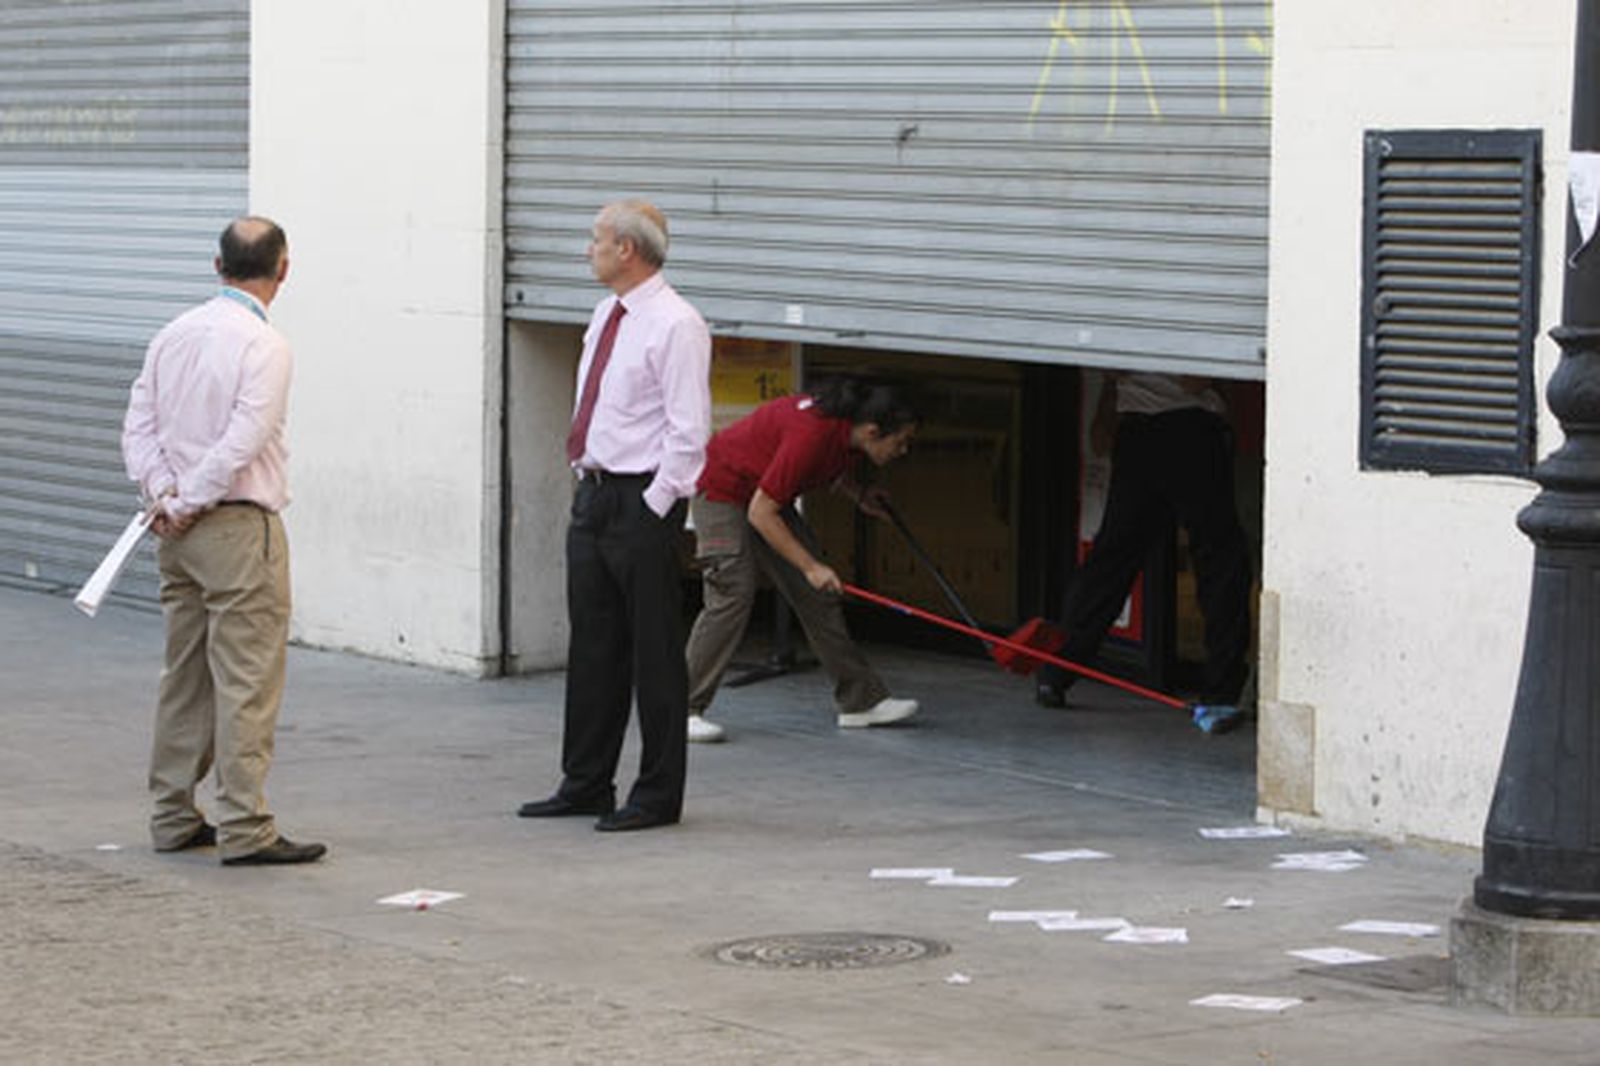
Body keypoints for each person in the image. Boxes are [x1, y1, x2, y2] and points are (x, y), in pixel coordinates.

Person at [121, 217, 325, 866]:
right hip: (237, 528)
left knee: (184, 675)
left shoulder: (173, 333)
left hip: (177, 531)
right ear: (283, 270)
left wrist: (164, 495)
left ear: (218, 266)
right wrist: (188, 499)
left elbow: (138, 424)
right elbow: (244, 439)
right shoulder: (265, 346)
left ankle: (172, 815)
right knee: (246, 680)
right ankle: (245, 826)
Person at [517, 200, 711, 832]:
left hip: (641, 499)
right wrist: (585, 482)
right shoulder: (606, 314)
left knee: (654, 651)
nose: (587, 250)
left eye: (596, 239)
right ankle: (585, 782)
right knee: (594, 644)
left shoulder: (676, 324)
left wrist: (657, 504)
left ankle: (656, 795)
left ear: (627, 248)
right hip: (595, 493)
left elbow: (689, 431)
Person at [682, 379, 921, 744]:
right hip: (721, 489)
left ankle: (860, 702)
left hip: (761, 496)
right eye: (900, 441)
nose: (903, 450)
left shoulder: (848, 434)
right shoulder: (813, 433)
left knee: (819, 595)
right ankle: (680, 709)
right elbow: (762, 514)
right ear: (873, 431)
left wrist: (858, 494)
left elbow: (824, 469)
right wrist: (810, 566)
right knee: (733, 591)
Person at [1036, 371, 1251, 709]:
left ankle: (1057, 672)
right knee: (1219, 562)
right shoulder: (1191, 317)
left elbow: (1112, 376)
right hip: (1192, 433)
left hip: (1137, 434)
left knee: (1111, 560)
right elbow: (1194, 381)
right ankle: (1222, 690)